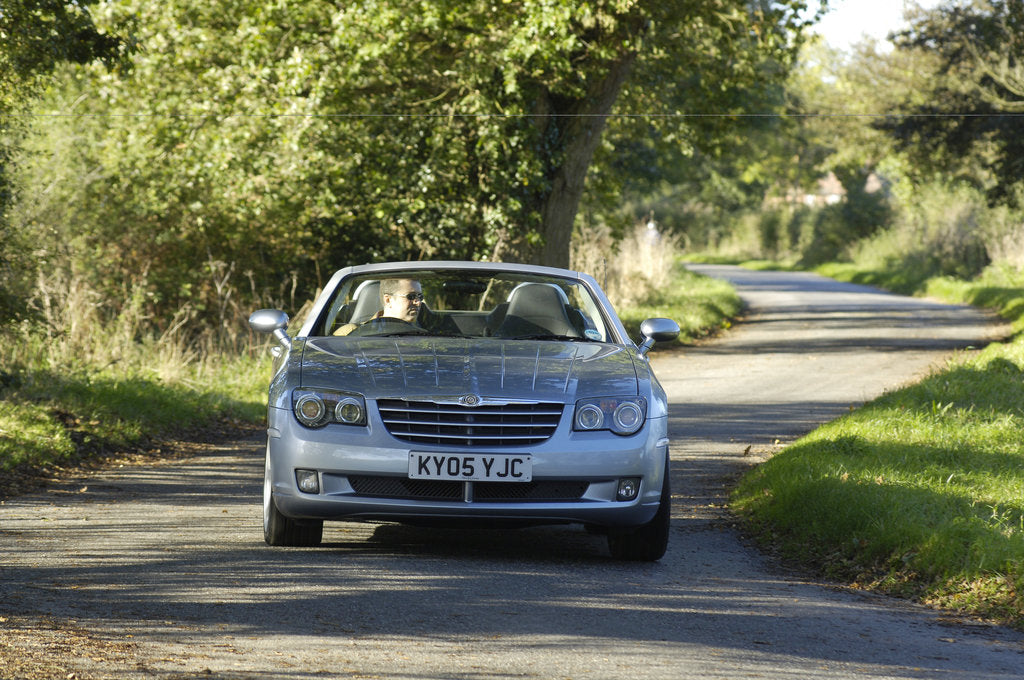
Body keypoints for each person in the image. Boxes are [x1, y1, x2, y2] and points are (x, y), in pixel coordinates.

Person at [334, 278, 423, 335]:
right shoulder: (349, 333)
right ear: (388, 300)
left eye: (420, 296)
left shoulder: (425, 335)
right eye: (411, 296)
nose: (418, 303)